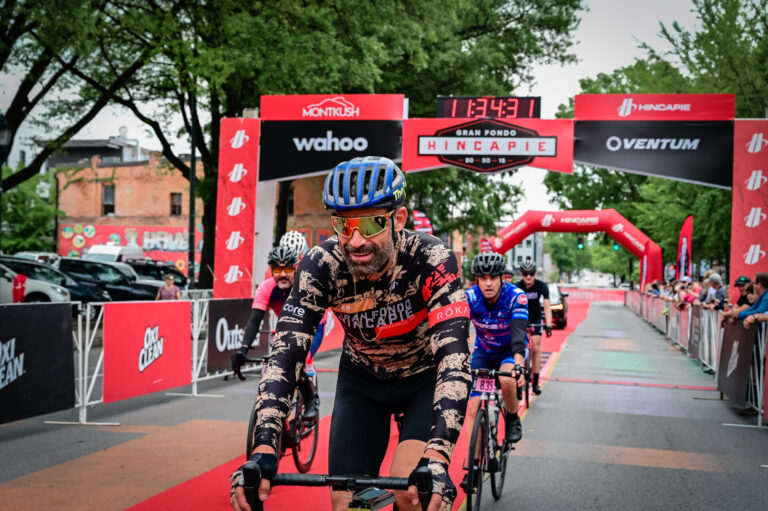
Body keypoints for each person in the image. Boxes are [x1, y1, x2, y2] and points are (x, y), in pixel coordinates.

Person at [229, 156, 471, 511]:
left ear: (398, 219)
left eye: (371, 224)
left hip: (423, 380)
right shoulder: (320, 265)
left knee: (412, 493)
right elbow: (285, 354)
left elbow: (454, 356)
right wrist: (264, 446)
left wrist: (438, 454)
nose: (356, 240)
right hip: (363, 382)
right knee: (345, 503)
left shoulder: (431, 257)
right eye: (343, 225)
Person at [461, 252, 527, 490]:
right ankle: (473, 465)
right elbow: (456, 329)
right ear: (476, 280)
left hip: (510, 351)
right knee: (473, 408)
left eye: (493, 278)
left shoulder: (515, 297)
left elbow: (519, 334)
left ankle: (511, 417)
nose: (488, 283)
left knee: (507, 381)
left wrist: (518, 363)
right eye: (482, 278)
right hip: (484, 352)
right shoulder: (470, 297)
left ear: (502, 278)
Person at [231, 245, 320, 420]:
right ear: (271, 270)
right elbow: (255, 320)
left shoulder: (304, 286)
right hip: (288, 326)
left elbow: (309, 323)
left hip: (314, 326)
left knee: (297, 360)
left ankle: (311, 398)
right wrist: (243, 350)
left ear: (295, 268)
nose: (283, 274)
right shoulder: (266, 288)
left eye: (287, 268)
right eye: (278, 269)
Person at [515, 260, 551, 395]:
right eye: (525, 274)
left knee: (536, 348)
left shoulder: (542, 286)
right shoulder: (517, 287)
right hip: (521, 320)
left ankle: (535, 382)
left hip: (535, 319)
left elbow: (547, 306)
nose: (528, 277)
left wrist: (548, 324)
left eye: (531, 274)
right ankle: (518, 382)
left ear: (535, 273)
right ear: (521, 274)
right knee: (519, 349)